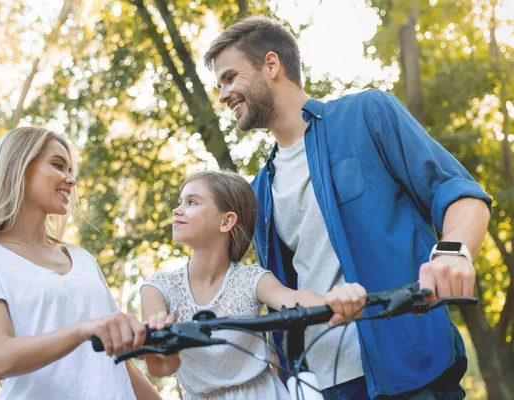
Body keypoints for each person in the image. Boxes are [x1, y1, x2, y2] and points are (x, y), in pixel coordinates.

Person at [203, 16, 492, 400]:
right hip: (324, 385)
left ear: (271, 65)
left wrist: (454, 253)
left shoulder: (367, 114)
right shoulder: (260, 190)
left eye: (229, 78)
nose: (223, 95)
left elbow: (459, 193)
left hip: (412, 372)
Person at [0, 127, 159, 400]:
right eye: (58, 165)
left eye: (71, 170)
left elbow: (120, 363)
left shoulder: (83, 259)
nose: (71, 180)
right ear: (20, 168)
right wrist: (84, 329)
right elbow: (0, 357)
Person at [140, 170, 368, 399]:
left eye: (192, 202)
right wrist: (160, 350)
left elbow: (291, 298)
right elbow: (162, 367)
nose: (177, 209)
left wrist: (335, 300)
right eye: (180, 201)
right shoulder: (158, 288)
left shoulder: (251, 279)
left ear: (226, 221)